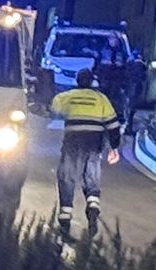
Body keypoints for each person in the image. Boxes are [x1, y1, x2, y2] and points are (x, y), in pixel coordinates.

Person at [49, 68, 121, 237]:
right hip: (94, 144)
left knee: (66, 177)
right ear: (92, 82)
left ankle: (65, 219)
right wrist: (114, 148)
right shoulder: (101, 99)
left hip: (73, 143)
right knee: (91, 178)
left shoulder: (67, 96)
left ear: (77, 80)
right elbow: (113, 125)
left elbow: (53, 109)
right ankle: (93, 208)